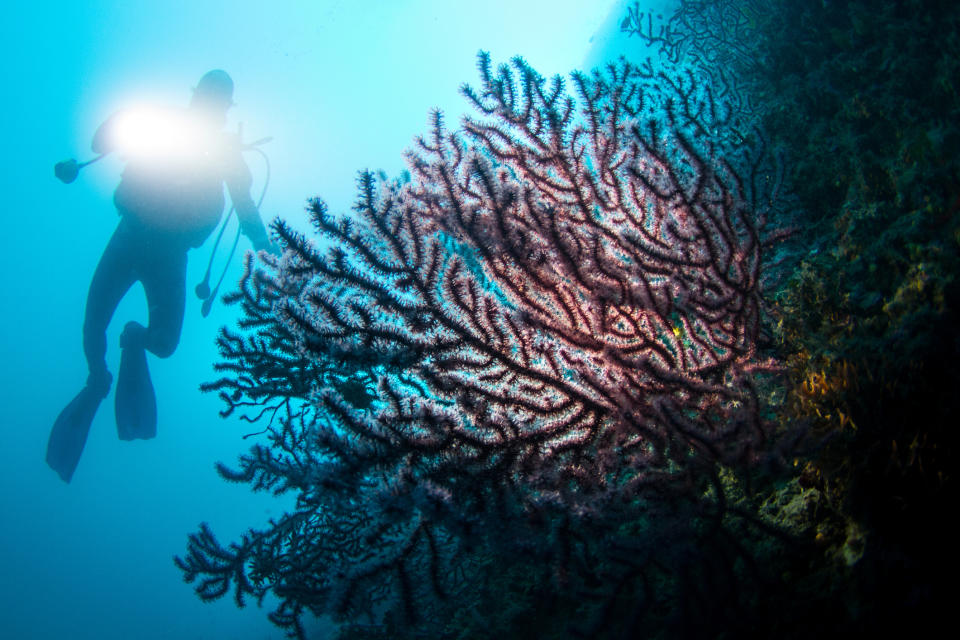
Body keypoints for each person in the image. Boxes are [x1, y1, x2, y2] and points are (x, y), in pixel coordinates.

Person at [47, 70, 276, 483]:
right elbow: (102, 144)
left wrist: (269, 250)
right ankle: (97, 378)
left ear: (225, 110)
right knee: (92, 325)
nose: (209, 106)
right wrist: (126, 122)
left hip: (169, 254)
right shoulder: (163, 124)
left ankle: (134, 339)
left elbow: (245, 208)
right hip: (131, 236)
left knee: (165, 344)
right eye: (206, 97)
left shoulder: (225, 152)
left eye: (217, 101)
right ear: (197, 96)